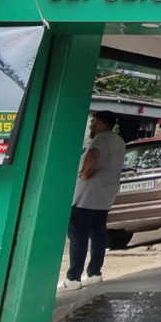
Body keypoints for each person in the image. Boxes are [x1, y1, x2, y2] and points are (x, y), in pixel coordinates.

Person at [61, 112, 125, 291]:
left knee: (78, 236)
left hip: (86, 196)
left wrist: (84, 172)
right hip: (105, 196)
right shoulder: (119, 141)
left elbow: (94, 153)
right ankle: (94, 273)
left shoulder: (101, 139)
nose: (91, 126)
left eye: (93, 122)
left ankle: (73, 277)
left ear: (102, 123)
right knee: (98, 234)